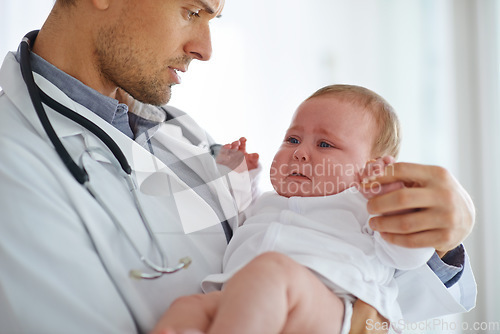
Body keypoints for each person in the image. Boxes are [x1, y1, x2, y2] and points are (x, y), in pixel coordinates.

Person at [0, 0, 475, 333]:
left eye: (213, 19)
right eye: (191, 11)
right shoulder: (14, 162)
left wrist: (440, 236)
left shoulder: (178, 132)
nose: (205, 48)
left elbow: (374, 283)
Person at [149, 85, 442, 334]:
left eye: (325, 144)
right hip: (244, 296)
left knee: (269, 272)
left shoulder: (365, 207)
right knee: (187, 309)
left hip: (336, 308)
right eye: (292, 139)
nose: (300, 152)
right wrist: (240, 177)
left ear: (371, 168)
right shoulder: (267, 202)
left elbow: (410, 256)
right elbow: (238, 217)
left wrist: (394, 206)